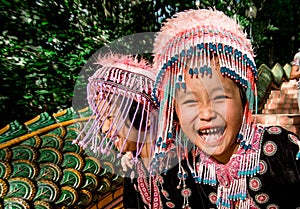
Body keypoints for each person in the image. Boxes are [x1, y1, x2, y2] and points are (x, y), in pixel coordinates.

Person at [149, 9, 300, 209]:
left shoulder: (285, 151)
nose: (206, 114)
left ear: (244, 100)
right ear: (174, 111)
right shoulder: (177, 174)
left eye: (219, 97)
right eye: (190, 102)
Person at [73, 53, 158, 208]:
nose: (104, 128)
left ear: (145, 117)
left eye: (111, 118)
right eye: (102, 120)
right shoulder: (134, 170)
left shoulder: (184, 167)